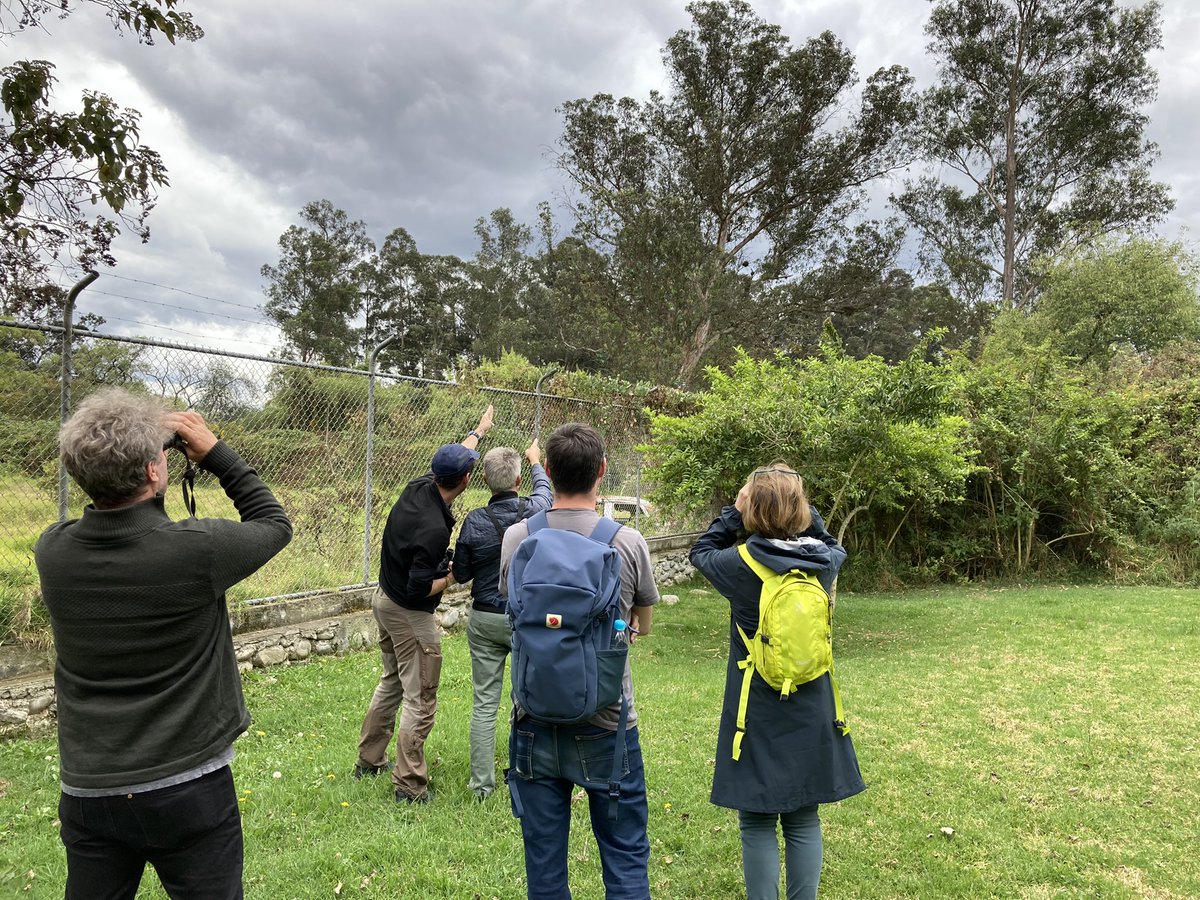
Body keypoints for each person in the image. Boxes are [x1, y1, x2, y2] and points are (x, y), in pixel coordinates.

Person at [34, 388, 293, 899]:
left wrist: (134, 452)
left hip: (89, 785)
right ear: (155, 472)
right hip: (188, 784)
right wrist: (215, 452)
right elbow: (274, 523)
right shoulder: (195, 551)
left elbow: (114, 521)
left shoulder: (52, 551)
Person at [498, 422, 659, 900]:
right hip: (608, 726)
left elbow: (514, 608)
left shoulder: (517, 536)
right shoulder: (627, 542)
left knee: (545, 869)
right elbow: (643, 625)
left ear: (546, 471)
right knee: (625, 858)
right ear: (602, 472)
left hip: (532, 720)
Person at [688, 464, 864, 900]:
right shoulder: (825, 563)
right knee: (805, 818)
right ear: (801, 509)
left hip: (757, 706)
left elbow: (700, 549)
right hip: (813, 702)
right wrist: (801, 502)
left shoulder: (738, 565)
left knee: (757, 820)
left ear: (751, 508)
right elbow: (830, 540)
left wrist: (735, 509)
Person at [355, 404, 493, 804]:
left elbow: (455, 457)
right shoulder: (433, 527)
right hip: (409, 612)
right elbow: (420, 588)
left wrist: (479, 431)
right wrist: (452, 575)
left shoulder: (421, 485)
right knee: (422, 699)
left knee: (392, 683)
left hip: (384, 600)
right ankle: (409, 786)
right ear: (466, 480)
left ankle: (369, 760)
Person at [452, 438, 552, 801]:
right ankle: (525, 774)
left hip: (483, 618)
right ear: (518, 481)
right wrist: (537, 462)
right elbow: (547, 494)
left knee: (484, 703)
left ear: (484, 481)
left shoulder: (474, 520)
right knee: (525, 697)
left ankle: (481, 786)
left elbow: (461, 574)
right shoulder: (534, 513)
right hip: (522, 616)